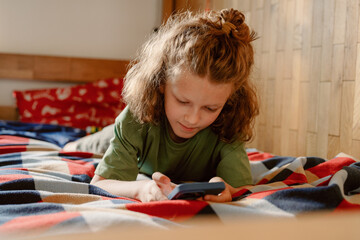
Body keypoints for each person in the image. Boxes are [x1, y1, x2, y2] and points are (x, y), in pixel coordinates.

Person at [90, 8, 259, 203]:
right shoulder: (134, 119)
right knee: (92, 142)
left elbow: (242, 189)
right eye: (183, 101)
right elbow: (101, 184)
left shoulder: (230, 122)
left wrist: (225, 187)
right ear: (160, 82)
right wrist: (141, 189)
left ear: (230, 99)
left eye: (210, 108)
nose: (193, 119)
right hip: (114, 134)